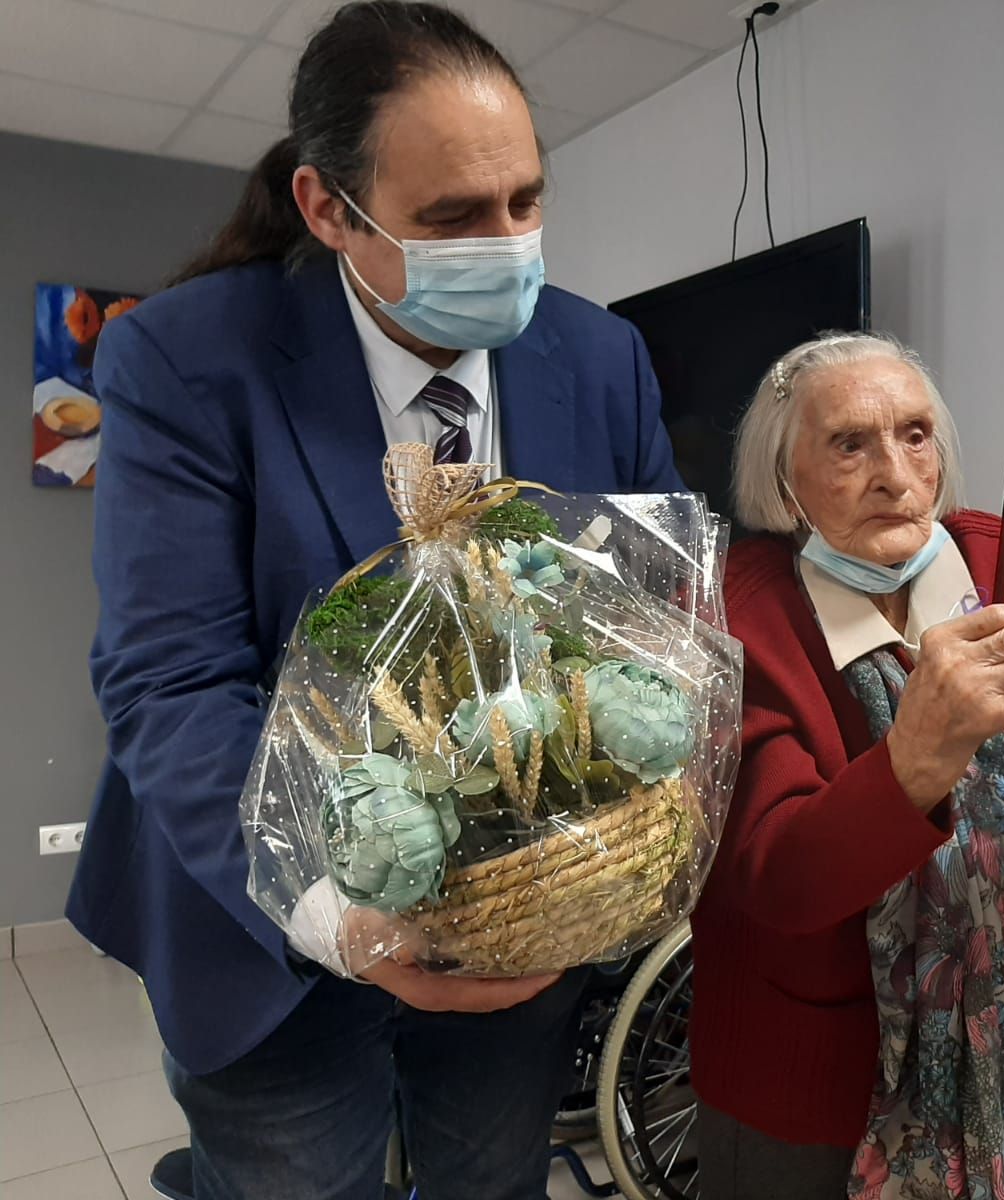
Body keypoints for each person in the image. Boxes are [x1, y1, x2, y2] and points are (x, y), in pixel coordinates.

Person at [68, 5, 680, 1198]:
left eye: (525, 200)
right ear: (327, 209)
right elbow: (170, 682)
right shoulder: (192, 360)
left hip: (518, 927)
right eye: (451, 218)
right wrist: (334, 910)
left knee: (489, 1183)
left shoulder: (600, 360)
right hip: (271, 940)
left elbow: (651, 623)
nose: (504, 245)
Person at [689, 332, 1004, 1199]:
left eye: (916, 435)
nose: (894, 472)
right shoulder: (730, 614)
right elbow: (778, 878)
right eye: (850, 444)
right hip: (811, 1084)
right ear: (786, 481)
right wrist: (918, 752)